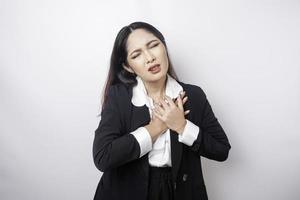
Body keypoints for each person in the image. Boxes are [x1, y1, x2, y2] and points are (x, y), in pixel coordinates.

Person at [92, 21, 231, 200]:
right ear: (127, 66)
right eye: (136, 55)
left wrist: (182, 126)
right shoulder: (119, 96)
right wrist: (156, 127)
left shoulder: (193, 95)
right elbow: (103, 157)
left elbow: (221, 150)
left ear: (164, 46)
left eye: (153, 45)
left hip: (179, 191)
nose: (150, 57)